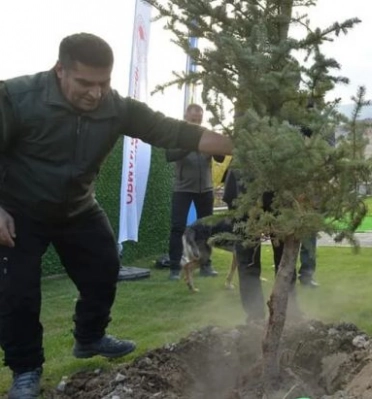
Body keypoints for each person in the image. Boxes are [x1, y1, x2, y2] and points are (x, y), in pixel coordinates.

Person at [0, 33, 233, 398]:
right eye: (85, 83)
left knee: (105, 267)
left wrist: (238, 143)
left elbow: (170, 129)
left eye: (103, 83)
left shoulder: (117, 108)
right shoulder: (16, 98)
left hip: (78, 207)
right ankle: (26, 370)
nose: (95, 93)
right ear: (60, 70)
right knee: (18, 292)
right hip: (19, 211)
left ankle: (90, 337)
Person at [166, 103, 224, 280]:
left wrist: (216, 145)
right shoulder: (177, 133)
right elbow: (169, 155)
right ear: (186, 117)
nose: (196, 122)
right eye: (193, 119)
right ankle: (175, 268)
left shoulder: (206, 134)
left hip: (205, 189)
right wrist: (191, 144)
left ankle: (206, 265)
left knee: (205, 229)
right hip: (182, 189)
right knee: (178, 227)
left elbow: (220, 158)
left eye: (199, 119)